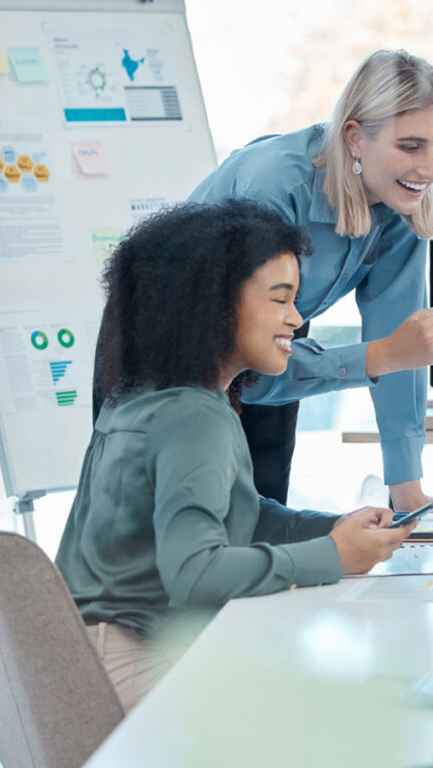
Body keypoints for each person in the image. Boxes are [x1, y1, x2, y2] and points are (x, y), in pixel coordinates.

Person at [56, 200, 413, 713]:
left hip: (89, 662)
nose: (296, 318)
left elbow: (236, 509)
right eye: (280, 299)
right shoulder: (193, 416)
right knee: (355, 704)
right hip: (134, 671)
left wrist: (336, 529)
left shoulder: (146, 395)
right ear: (215, 305)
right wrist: (334, 556)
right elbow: (196, 573)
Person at [188, 49, 433, 515]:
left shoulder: (402, 200)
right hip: (179, 354)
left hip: (272, 341)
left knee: (262, 533)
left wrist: (408, 492)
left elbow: (402, 347)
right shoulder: (275, 187)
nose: (429, 168)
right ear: (355, 138)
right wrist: (381, 355)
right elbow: (244, 368)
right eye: (410, 145)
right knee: (189, 548)